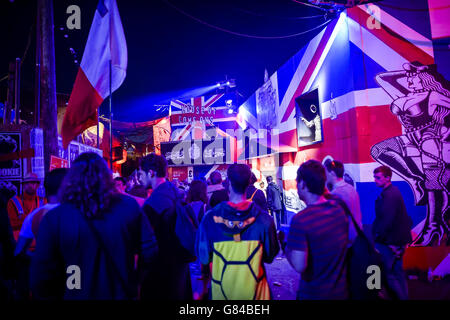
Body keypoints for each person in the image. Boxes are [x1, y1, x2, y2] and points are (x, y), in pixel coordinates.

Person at [30, 152, 158, 299]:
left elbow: (40, 276)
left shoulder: (55, 218)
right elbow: (150, 252)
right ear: (107, 178)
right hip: (120, 293)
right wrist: (134, 281)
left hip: (76, 292)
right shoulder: (129, 207)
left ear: (71, 179)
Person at [372, 62, 450, 246]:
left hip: (429, 138)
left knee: (434, 180)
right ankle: (415, 180)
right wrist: (411, 71)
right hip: (411, 138)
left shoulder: (434, 95)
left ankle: (433, 227)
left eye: (412, 76)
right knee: (379, 150)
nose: (408, 80)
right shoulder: (406, 95)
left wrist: (446, 131)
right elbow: (381, 78)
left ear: (424, 78)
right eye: (407, 77)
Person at [196, 164, 279, 300]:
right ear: (248, 183)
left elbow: (204, 259)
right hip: (257, 295)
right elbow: (269, 257)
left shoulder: (209, 220)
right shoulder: (264, 220)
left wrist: (203, 287)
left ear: (227, 183)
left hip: (220, 294)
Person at [286, 160, 349, 300]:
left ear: (302, 184)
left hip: (314, 294)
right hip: (341, 292)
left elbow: (299, 265)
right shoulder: (339, 209)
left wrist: (286, 247)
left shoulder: (301, 220)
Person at [139, 153, 193, 300]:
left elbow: (148, 245)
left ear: (151, 173)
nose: (139, 178)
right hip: (180, 269)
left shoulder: (154, 204)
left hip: (162, 273)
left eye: (141, 174)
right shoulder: (176, 193)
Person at [372, 166, 412, 300]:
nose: (375, 180)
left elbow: (387, 220)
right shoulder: (393, 192)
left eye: (378, 177)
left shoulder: (389, 195)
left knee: (389, 275)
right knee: (397, 273)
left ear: (388, 178)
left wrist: (378, 238)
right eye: (375, 177)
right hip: (396, 241)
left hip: (390, 242)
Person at [15, 168, 68, 257]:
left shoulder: (36, 212)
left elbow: (19, 251)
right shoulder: (14, 201)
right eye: (30, 183)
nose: (33, 185)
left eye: (35, 183)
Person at [324, 159, 363, 242]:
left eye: (326, 173)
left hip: (346, 240)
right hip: (356, 236)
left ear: (332, 173)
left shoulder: (336, 193)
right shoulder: (351, 188)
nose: (325, 176)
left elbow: (335, 222)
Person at [7, 173, 45, 240]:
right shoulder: (13, 202)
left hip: (39, 241)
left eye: (33, 182)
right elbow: (11, 224)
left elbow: (47, 222)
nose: (30, 185)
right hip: (20, 242)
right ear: (23, 185)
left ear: (37, 185)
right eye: (27, 183)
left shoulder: (44, 201)